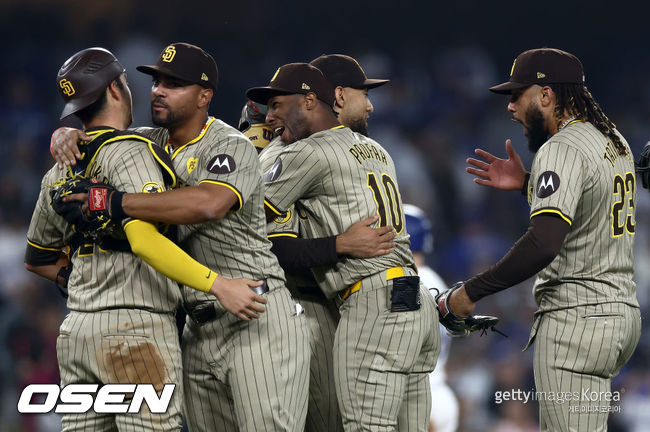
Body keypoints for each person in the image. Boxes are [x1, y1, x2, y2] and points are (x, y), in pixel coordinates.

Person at [52, 43, 311, 432]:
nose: (158, 90)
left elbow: (210, 203)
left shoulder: (228, 144)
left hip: (254, 311)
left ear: (205, 95)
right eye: (157, 81)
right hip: (194, 325)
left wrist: (116, 202)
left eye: (174, 84)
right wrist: (65, 133)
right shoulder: (146, 143)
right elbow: (95, 136)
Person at [455, 48, 641, 431]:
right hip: (619, 315)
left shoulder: (560, 147)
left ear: (546, 96)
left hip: (578, 321)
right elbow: (590, 201)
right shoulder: (613, 139)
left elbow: (543, 243)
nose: (509, 107)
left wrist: (471, 291)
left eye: (516, 95)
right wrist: (528, 184)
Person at [247, 63, 440, 432]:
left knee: (366, 427)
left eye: (275, 106)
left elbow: (242, 213)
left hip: (373, 303)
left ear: (308, 100)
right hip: (415, 300)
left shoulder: (307, 153)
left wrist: (264, 146)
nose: (268, 118)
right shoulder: (376, 149)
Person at [403, 204, 458, 432]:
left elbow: (401, 341)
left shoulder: (407, 280)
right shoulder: (435, 279)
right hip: (439, 392)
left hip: (416, 396)